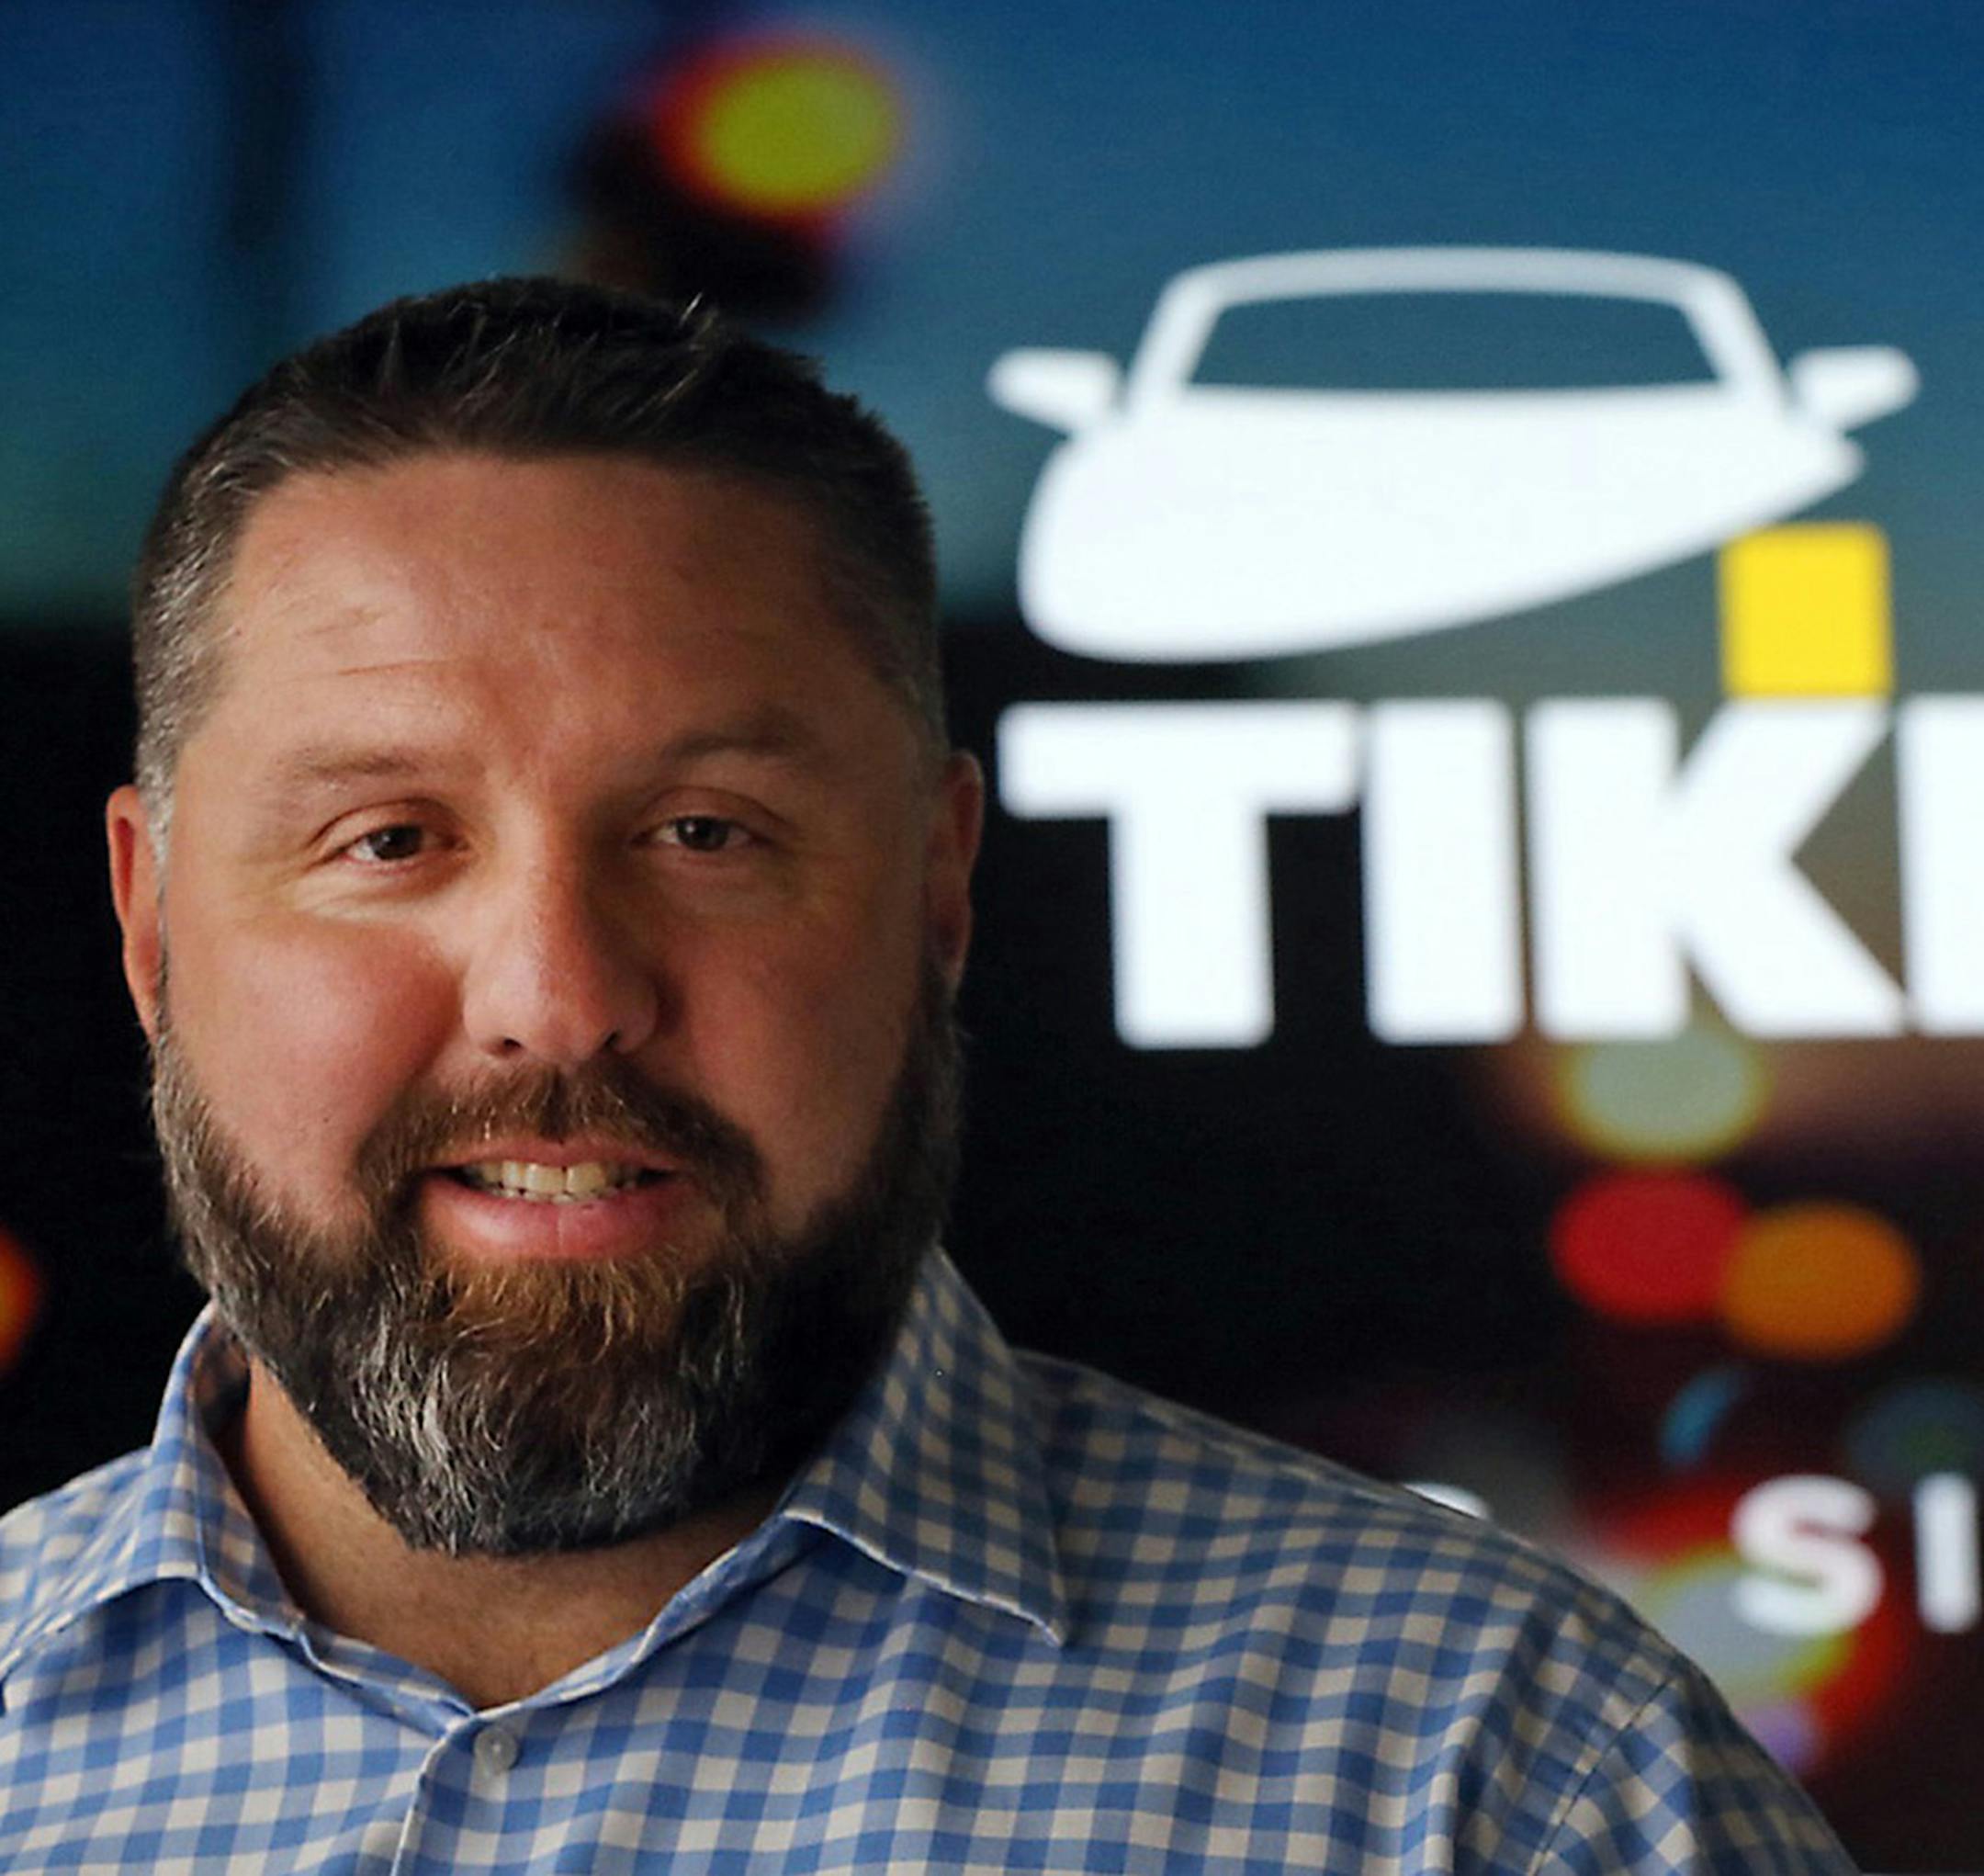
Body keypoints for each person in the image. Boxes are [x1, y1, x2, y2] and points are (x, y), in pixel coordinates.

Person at [0, 277, 1853, 1873]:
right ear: (151, 923)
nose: (559, 997)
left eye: (708, 831)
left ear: (939, 890)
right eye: (390, 839)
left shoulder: (1501, 1775)